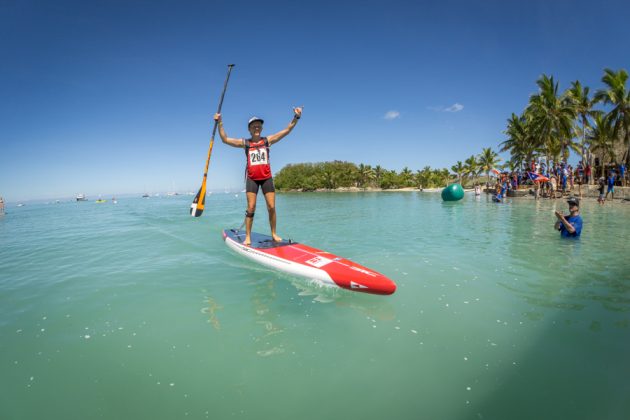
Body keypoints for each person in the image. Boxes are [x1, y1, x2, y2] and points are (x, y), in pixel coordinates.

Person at [215, 107, 303, 246]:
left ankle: (274, 233)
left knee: (271, 206)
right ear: (249, 129)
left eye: (259, 125)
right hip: (252, 179)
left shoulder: (268, 140)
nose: (257, 127)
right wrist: (220, 123)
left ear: (261, 128)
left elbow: (286, 130)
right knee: (251, 208)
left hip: (266, 178)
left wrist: (296, 117)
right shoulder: (246, 143)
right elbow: (225, 139)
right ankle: (248, 236)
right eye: (253, 125)